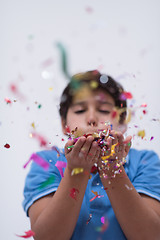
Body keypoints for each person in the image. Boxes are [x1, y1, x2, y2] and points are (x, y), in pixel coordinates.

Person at [23, 70, 160, 240]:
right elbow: (46, 237)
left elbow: (151, 235)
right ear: (64, 124)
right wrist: (77, 170)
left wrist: (112, 170)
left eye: (103, 110)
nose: (91, 118)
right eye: (80, 110)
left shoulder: (145, 162)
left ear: (123, 121)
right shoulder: (46, 162)